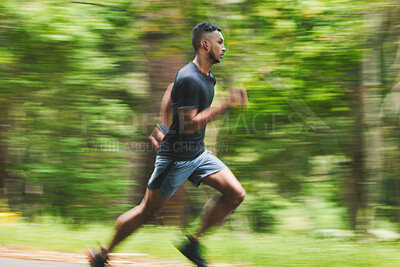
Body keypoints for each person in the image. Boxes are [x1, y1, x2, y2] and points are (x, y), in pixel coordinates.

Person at [89, 22, 248, 267]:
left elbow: (169, 90)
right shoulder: (189, 78)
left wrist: (163, 126)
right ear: (205, 44)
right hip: (175, 158)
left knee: (236, 194)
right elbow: (189, 124)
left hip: (197, 154)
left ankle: (192, 244)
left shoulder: (208, 77)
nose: (224, 48)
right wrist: (225, 105)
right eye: (220, 42)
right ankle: (103, 255)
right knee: (148, 212)